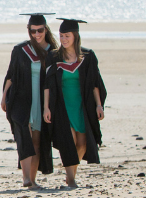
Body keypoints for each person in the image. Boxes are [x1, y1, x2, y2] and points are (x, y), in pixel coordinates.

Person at [43, 18, 107, 188]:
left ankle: (71, 171)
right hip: (62, 106)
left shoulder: (88, 56)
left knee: (83, 143)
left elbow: (94, 83)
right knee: (68, 143)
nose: (63, 39)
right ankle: (71, 179)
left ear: (75, 36)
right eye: (61, 36)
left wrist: (99, 105)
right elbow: (48, 85)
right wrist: (46, 107)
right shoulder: (54, 56)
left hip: (82, 106)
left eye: (67, 36)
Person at [2, 13, 59, 189]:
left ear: (45, 29)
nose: (36, 34)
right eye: (33, 31)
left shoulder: (53, 52)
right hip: (21, 100)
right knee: (24, 137)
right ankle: (26, 178)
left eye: (40, 30)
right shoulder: (20, 50)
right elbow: (11, 75)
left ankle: (32, 180)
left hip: (42, 102)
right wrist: (4, 97)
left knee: (36, 140)